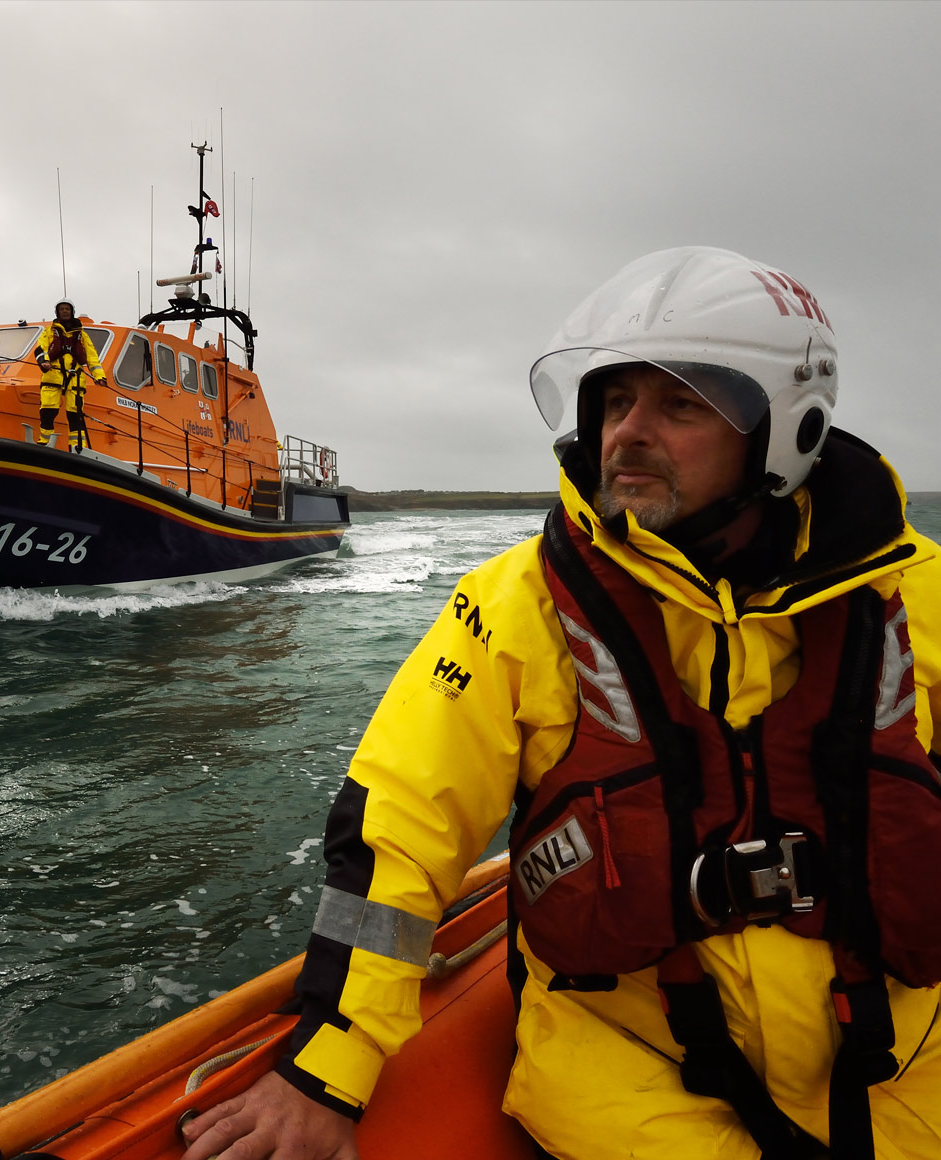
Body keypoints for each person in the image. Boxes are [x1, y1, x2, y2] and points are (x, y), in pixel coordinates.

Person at [180, 247, 941, 1160]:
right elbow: (400, 825)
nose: (627, 433)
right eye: (615, 402)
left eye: (679, 404)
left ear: (785, 429)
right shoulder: (517, 608)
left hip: (911, 1069)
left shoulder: (916, 601)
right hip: (633, 1083)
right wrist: (324, 1069)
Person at [33, 299, 107, 449]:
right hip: (52, 374)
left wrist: (99, 376)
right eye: (62, 309)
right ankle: (44, 441)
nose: (65, 311)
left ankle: (77, 444)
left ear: (72, 311)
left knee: (75, 412)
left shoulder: (82, 335)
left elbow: (92, 357)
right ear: (58, 312)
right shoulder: (49, 331)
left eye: (67, 309)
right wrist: (44, 362)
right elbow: (41, 348)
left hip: (76, 377)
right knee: (48, 409)